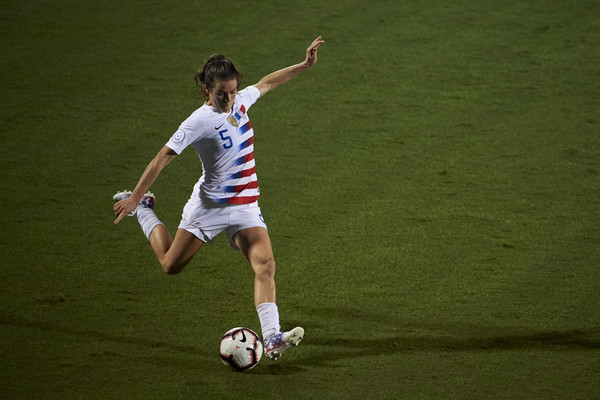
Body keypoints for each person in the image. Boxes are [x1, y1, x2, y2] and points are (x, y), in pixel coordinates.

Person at [113, 36, 324, 360]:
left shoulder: (241, 101)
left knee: (266, 265)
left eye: (233, 91)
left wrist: (305, 65)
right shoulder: (197, 122)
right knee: (170, 265)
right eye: (221, 93)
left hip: (245, 207)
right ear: (207, 90)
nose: (228, 99)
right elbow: (161, 159)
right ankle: (144, 210)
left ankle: (271, 338)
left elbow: (267, 83)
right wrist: (134, 197)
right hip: (208, 208)